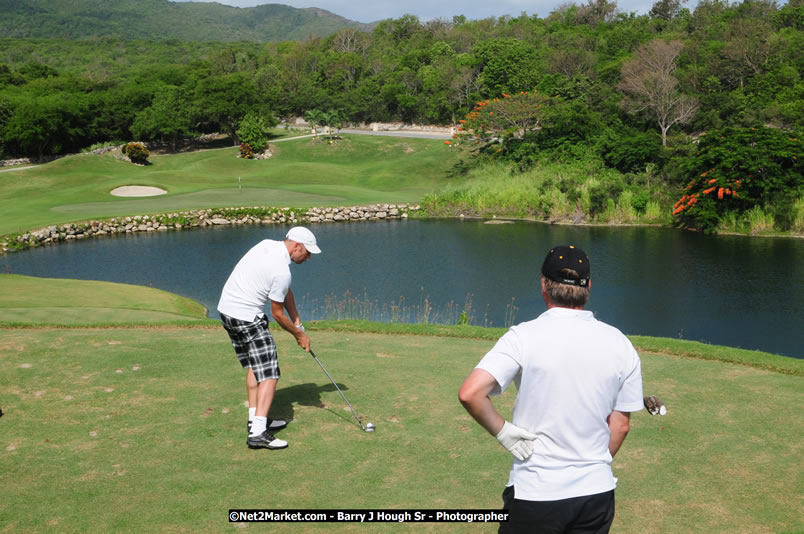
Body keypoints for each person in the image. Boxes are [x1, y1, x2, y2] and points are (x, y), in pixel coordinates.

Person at [458, 245, 643, 533]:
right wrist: (588, 467)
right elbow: (620, 427)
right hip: (596, 495)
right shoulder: (620, 343)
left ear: (544, 284)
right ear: (588, 287)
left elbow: (471, 393)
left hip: (535, 493)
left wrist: (503, 431)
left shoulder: (522, 337)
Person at [218, 226, 321, 450]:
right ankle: (257, 434)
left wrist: (297, 320)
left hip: (227, 311)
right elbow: (276, 314)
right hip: (246, 318)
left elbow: (284, 292)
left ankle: (256, 421)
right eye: (308, 252)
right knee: (270, 374)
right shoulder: (281, 271)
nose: (309, 257)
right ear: (296, 246)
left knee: (256, 368)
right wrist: (299, 335)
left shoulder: (267, 245)